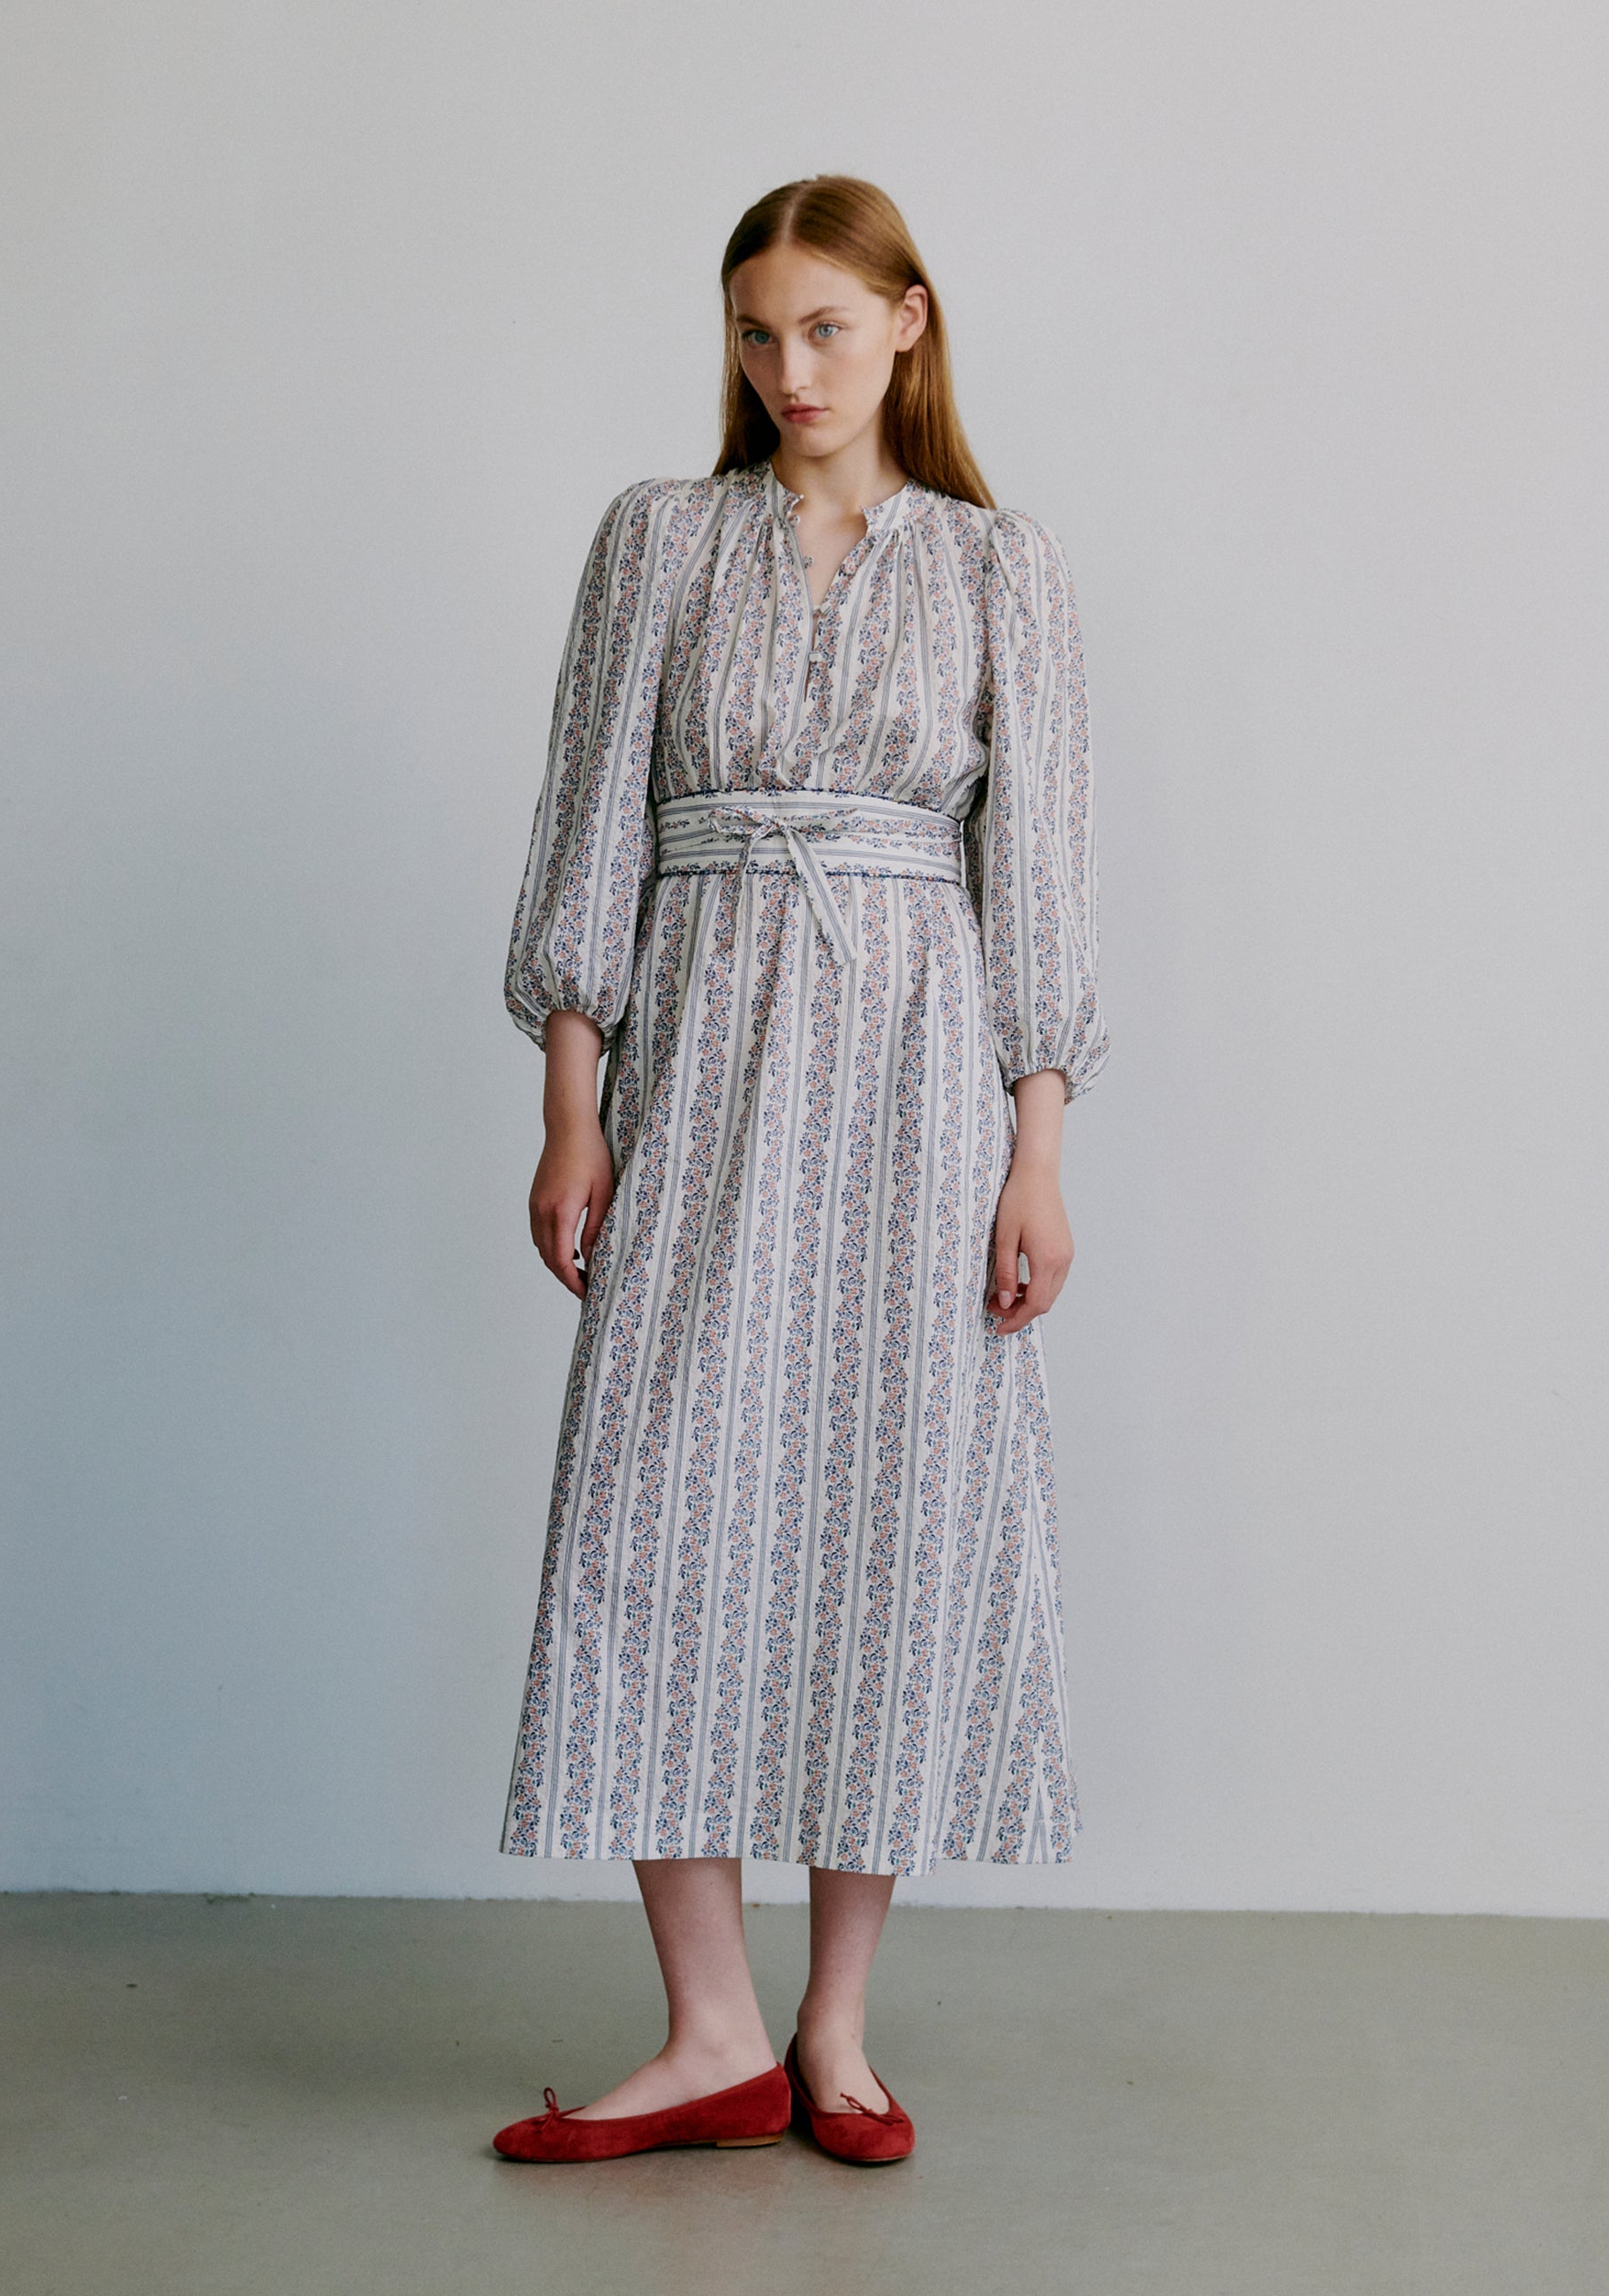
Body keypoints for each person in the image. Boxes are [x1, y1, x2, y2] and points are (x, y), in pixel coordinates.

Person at [491, 174, 1107, 2167]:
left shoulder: (999, 568)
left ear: (908, 324)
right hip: (705, 1062)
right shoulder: (658, 542)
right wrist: (574, 1100)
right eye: (756, 333)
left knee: (887, 1507)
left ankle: (833, 2033)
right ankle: (705, 2028)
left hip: (923, 1084)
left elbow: (1045, 886)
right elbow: (590, 815)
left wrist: (1038, 1149)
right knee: (653, 1515)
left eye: (825, 329)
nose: (788, 370)